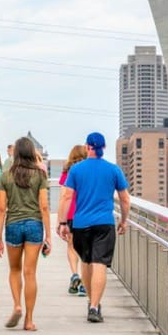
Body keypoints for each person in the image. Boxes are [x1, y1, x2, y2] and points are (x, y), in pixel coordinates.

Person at [56, 132, 129, 323]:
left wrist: (63, 223)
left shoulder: (76, 170)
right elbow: (125, 199)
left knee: (86, 263)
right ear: (103, 148)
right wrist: (124, 220)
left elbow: (66, 197)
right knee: (100, 264)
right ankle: (95, 306)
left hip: (80, 224)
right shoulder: (113, 170)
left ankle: (91, 301)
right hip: (104, 223)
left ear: (88, 147)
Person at [0, 136, 50, 331]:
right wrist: (49, 236)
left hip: (13, 225)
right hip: (35, 225)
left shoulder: (5, 176)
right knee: (30, 273)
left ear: (16, 152)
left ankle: (17, 305)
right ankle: (29, 320)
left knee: (15, 270)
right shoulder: (40, 175)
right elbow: (44, 206)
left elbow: (1, 209)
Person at [58, 144, 88, 296]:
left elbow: (64, 196)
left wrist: (60, 221)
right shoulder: (88, 171)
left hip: (70, 214)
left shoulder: (67, 172)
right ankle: (83, 282)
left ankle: (74, 274)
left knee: (71, 246)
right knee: (84, 249)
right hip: (85, 214)